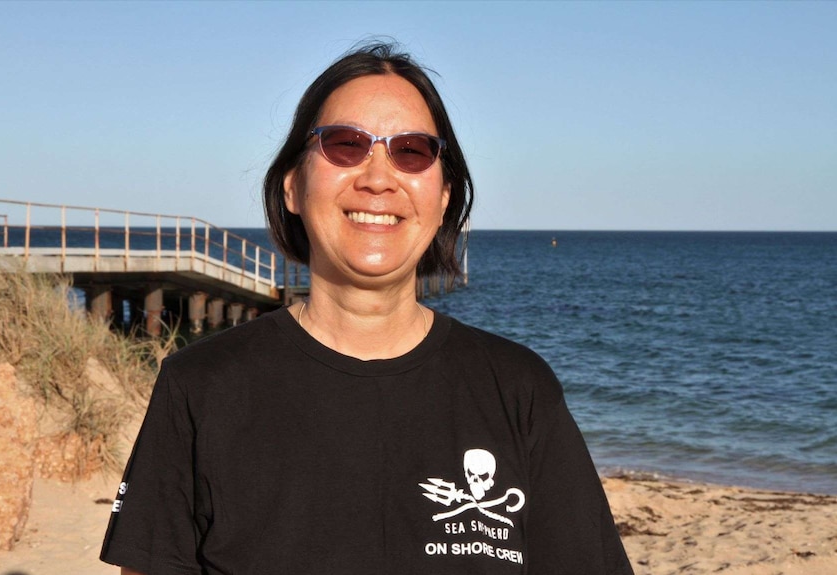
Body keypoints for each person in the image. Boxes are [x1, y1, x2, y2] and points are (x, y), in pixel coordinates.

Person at [100, 42, 633, 575]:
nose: (378, 178)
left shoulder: (518, 389)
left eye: (411, 151)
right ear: (292, 185)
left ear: (444, 194)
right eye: (345, 144)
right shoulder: (200, 386)